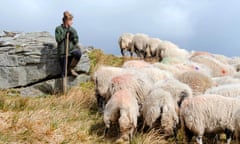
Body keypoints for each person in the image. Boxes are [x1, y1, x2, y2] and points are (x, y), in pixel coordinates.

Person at [55, 11, 81, 77]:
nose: (72, 22)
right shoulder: (58, 29)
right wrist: (65, 32)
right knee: (64, 73)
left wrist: (72, 34)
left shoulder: (73, 30)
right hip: (63, 54)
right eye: (70, 20)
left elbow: (76, 41)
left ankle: (71, 68)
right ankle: (63, 86)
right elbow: (58, 39)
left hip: (71, 52)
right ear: (66, 21)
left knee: (78, 53)